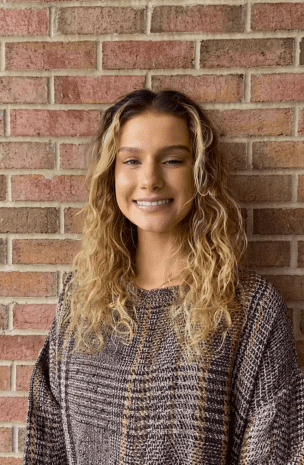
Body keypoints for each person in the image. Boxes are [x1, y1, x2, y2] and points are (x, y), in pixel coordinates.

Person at [23, 89, 304, 464]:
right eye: (132, 161)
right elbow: (47, 442)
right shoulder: (81, 299)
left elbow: (277, 454)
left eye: (172, 160)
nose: (150, 179)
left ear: (200, 173)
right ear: (111, 175)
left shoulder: (250, 310)